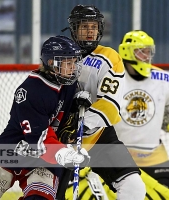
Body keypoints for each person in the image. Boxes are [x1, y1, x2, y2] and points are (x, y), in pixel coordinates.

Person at [0, 35, 91, 200]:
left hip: (44, 158)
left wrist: (76, 103)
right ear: (51, 63)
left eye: (74, 62)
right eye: (68, 63)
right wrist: (64, 153)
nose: (73, 67)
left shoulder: (69, 85)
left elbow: (63, 115)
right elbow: (37, 140)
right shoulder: (30, 91)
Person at [59, 4, 146, 200]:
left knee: (134, 188)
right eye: (84, 27)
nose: (90, 32)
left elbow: (110, 105)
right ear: (74, 29)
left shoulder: (109, 57)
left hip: (99, 135)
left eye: (94, 27)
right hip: (62, 139)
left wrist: (82, 125)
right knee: (51, 194)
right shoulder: (59, 52)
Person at [114, 30, 169, 187]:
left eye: (148, 51)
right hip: (118, 156)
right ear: (127, 51)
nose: (146, 56)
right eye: (141, 51)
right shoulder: (112, 78)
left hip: (154, 157)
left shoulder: (163, 78)